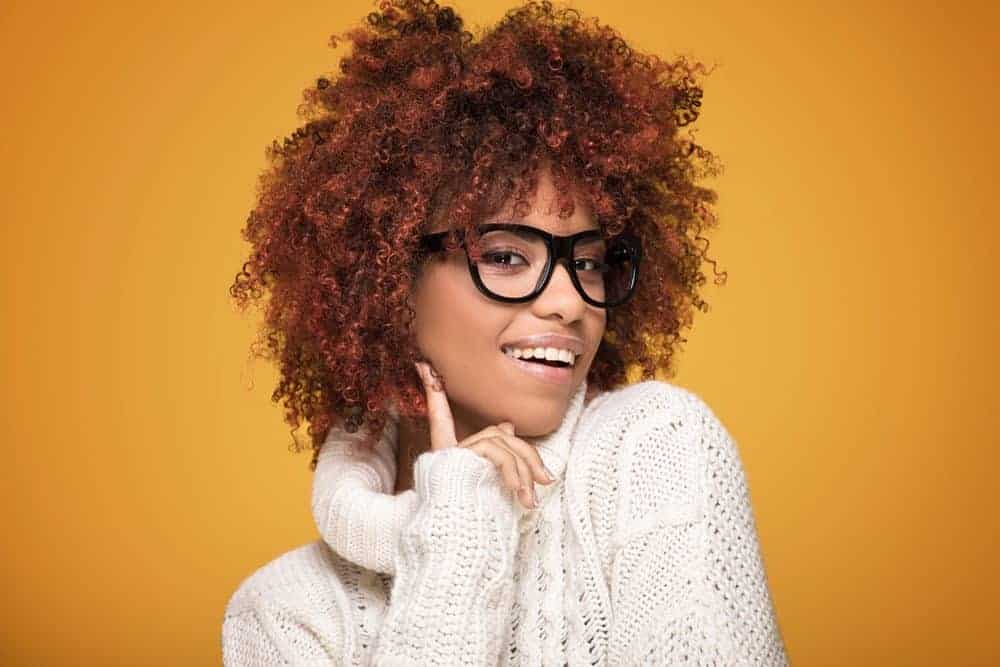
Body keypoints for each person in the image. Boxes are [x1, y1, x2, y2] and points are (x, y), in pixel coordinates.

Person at [222, 0, 789, 663]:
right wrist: (457, 537)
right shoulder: (283, 615)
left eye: (588, 261)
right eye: (505, 256)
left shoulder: (655, 448)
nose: (568, 302)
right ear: (384, 279)